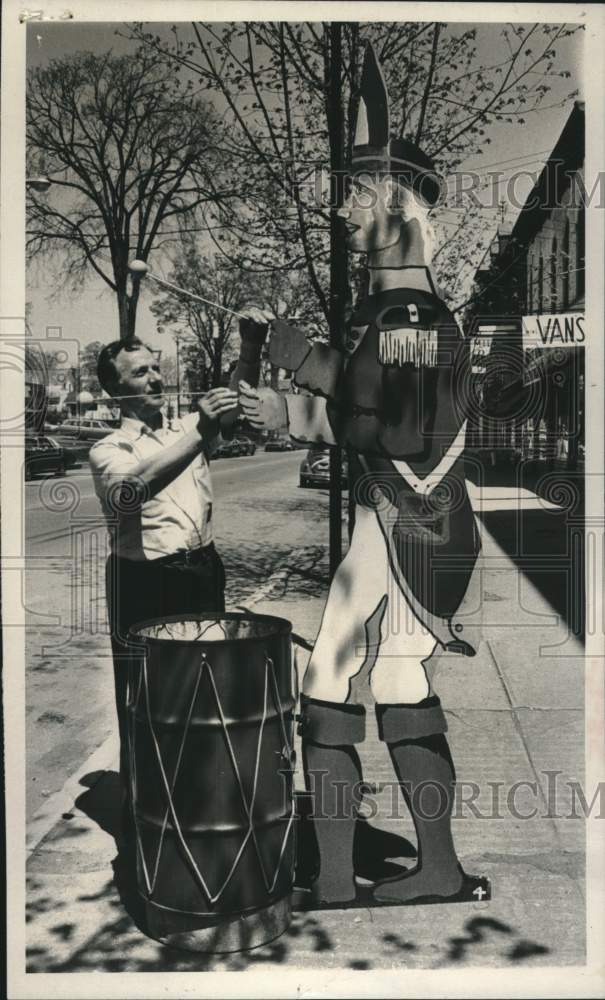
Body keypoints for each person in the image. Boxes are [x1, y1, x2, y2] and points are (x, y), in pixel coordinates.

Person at [238, 43, 523, 906]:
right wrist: (291, 370)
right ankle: (425, 870)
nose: (339, 218)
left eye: (354, 202)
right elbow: (376, 412)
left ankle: (335, 878)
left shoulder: (412, 317)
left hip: (407, 524)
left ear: (396, 212)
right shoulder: (394, 312)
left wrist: (293, 388)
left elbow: (394, 426)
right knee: (395, 676)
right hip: (407, 524)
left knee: (327, 671)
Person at [90, 336, 238, 801]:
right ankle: (146, 817)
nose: (154, 378)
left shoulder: (188, 427)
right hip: (145, 582)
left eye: (155, 368)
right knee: (146, 702)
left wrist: (250, 347)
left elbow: (235, 409)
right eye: (139, 373)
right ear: (115, 391)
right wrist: (200, 432)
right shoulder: (108, 448)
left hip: (202, 571)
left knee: (205, 694)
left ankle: (200, 806)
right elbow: (131, 490)